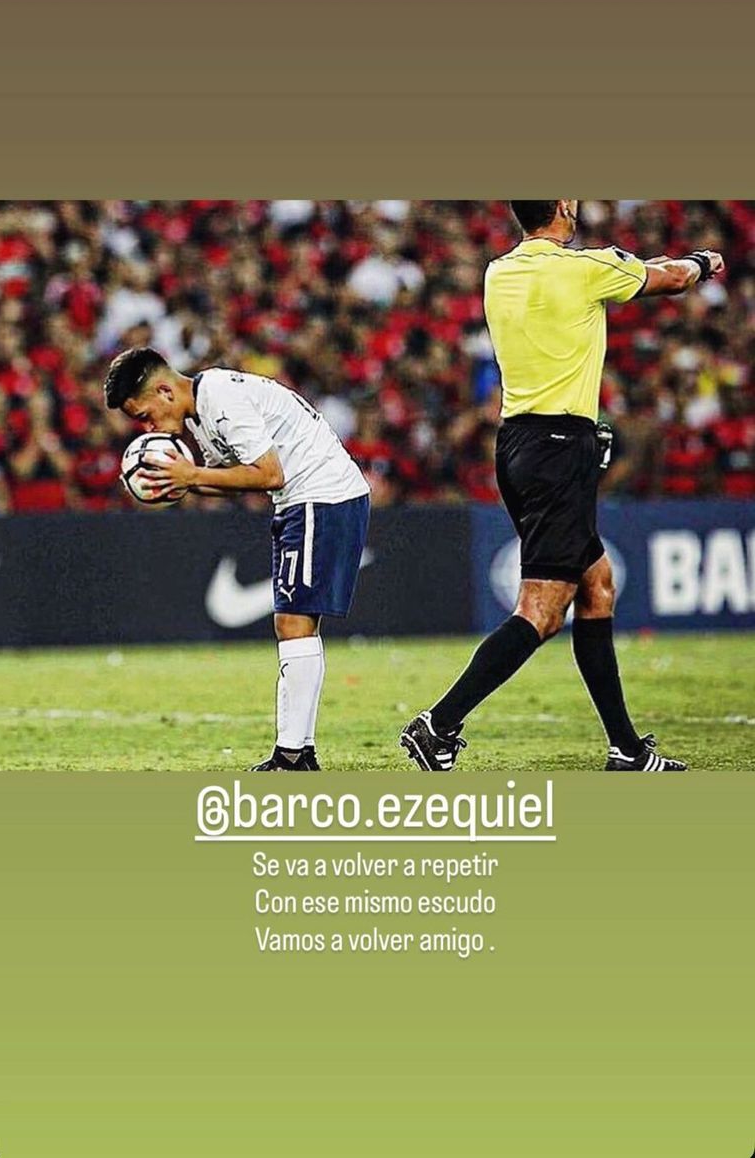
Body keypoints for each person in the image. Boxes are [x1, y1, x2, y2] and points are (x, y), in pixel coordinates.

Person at [400, 199, 725, 772]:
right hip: (559, 449)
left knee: (596, 586)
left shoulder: (497, 271)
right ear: (564, 209)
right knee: (543, 610)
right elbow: (671, 277)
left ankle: (625, 749)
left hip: (517, 445)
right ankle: (438, 725)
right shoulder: (587, 267)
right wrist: (704, 259)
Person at [104, 347, 370, 770]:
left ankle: (293, 755)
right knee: (295, 623)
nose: (149, 427)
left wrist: (190, 476)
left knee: (294, 622)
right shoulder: (202, 411)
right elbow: (232, 477)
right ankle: (296, 752)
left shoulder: (221, 400)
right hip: (304, 500)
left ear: (164, 390)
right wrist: (179, 484)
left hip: (321, 495)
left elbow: (268, 473)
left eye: (146, 416)